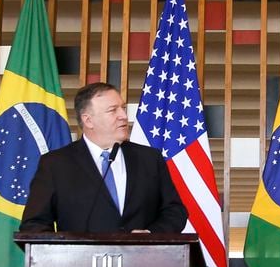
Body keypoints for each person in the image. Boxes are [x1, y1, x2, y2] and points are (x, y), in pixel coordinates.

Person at [19, 82, 188, 234]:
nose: (123, 115)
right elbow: (34, 224)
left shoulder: (150, 159)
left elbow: (174, 211)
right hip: (79, 266)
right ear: (88, 120)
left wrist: (151, 234)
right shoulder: (56, 164)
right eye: (113, 110)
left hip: (143, 263)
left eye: (123, 108)